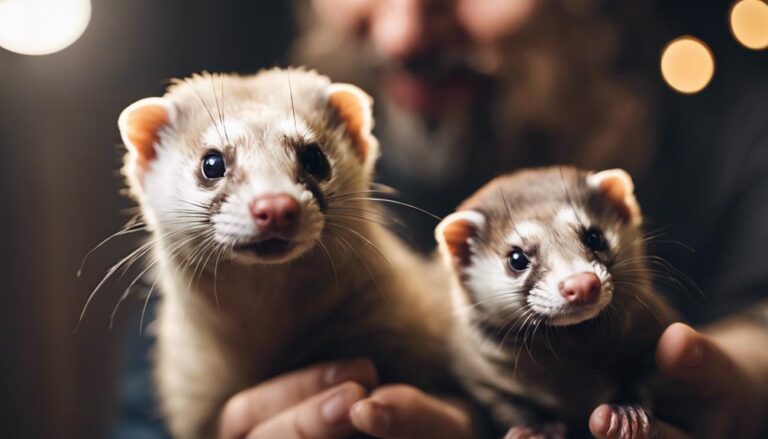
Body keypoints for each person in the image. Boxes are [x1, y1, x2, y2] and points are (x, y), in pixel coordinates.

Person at [116, 1, 768, 437]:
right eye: (209, 169)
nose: (403, 33)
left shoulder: (727, 127)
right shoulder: (191, 271)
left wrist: (739, 384)